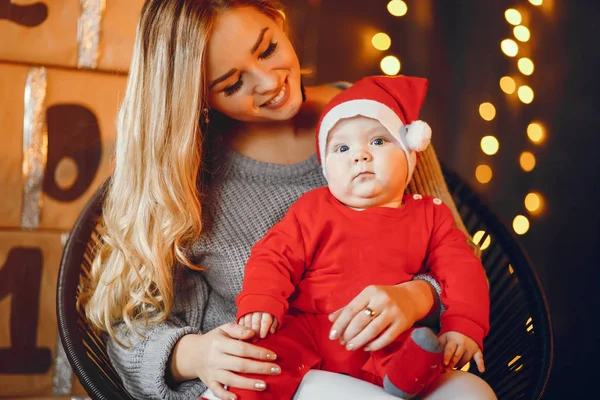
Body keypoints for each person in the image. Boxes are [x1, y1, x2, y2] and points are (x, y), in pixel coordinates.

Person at [78, 1, 497, 399]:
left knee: (474, 393)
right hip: (279, 380)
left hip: (393, 366)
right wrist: (195, 355)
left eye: (268, 48)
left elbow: (458, 260)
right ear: (197, 96)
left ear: (278, 19)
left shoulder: (373, 115)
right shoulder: (184, 174)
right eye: (233, 83)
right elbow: (125, 326)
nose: (269, 82)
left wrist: (416, 295)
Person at [234, 75, 490, 399]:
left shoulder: (430, 216)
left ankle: (406, 376)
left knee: (412, 349)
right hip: (311, 328)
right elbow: (274, 255)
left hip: (383, 332)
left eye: (379, 141)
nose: (361, 155)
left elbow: (463, 271)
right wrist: (261, 301)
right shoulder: (313, 208)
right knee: (268, 355)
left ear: (411, 155)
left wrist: (464, 326)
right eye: (342, 148)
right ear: (327, 169)